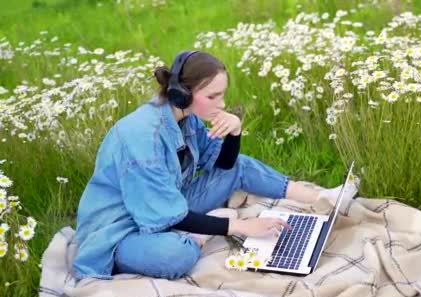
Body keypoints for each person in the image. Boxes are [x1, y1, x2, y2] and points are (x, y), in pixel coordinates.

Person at [72, 50, 358, 281]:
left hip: (170, 206)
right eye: (212, 97)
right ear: (182, 93)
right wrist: (239, 225)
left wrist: (235, 131)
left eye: (221, 95)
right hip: (121, 231)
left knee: (239, 168)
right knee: (177, 257)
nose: (220, 104)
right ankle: (198, 235)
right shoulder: (141, 138)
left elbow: (225, 164)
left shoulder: (187, 118)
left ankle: (322, 196)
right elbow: (169, 216)